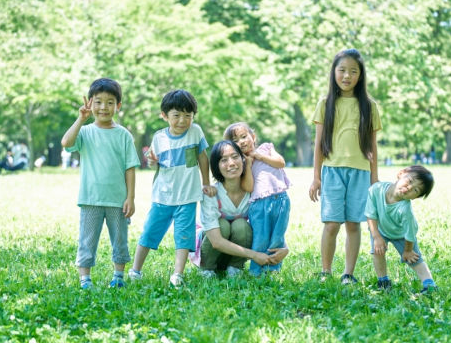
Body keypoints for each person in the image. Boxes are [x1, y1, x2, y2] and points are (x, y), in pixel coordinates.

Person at [309, 49, 382, 284]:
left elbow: (373, 146)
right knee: (331, 224)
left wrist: (374, 178)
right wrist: (316, 177)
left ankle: (348, 274)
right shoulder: (325, 103)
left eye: (353, 71)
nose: (347, 76)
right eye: (342, 70)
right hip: (332, 171)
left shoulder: (369, 106)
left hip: (360, 171)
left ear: (360, 75)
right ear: (334, 73)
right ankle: (325, 271)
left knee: (353, 224)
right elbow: (318, 144)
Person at [128, 89, 214, 289]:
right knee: (149, 232)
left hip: (187, 197)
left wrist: (206, 182)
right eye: (177, 115)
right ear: (165, 116)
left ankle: (178, 274)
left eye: (188, 116)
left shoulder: (195, 132)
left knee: (184, 236)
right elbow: (153, 163)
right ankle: (135, 270)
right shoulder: (159, 138)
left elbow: (202, 158)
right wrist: (151, 161)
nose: (183, 121)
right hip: (163, 197)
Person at [61, 78, 140, 289]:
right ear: (90, 103)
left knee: (120, 241)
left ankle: (118, 277)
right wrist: (80, 119)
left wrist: (130, 197)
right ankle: (85, 279)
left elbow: (130, 168)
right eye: (98, 101)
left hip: (117, 200)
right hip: (90, 199)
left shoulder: (123, 135)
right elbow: (66, 143)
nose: (103, 107)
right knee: (87, 240)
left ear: (118, 106)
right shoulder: (85, 132)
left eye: (110, 102)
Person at [195, 140, 288, 277]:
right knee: (223, 225)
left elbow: (267, 223)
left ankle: (235, 268)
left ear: (243, 159)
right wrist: (255, 255)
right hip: (212, 251)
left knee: (241, 225)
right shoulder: (212, 193)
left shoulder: (253, 191)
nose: (231, 163)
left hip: (236, 254)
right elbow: (216, 242)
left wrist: (284, 248)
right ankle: (207, 269)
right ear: (216, 166)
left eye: (235, 157)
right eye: (223, 160)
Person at [224, 122, 291, 276]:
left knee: (277, 237)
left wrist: (260, 156)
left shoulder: (267, 148)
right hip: (259, 205)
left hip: (281, 200)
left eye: (244, 136)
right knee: (260, 238)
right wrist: (248, 164)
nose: (241, 141)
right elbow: (248, 187)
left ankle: (273, 269)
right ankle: (256, 270)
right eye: (236, 141)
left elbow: (280, 162)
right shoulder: (240, 162)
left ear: (252, 137)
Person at [364, 165, 437, 294]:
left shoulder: (405, 209)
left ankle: (429, 284)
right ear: (401, 174)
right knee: (377, 252)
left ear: (414, 198)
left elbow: (410, 234)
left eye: (415, 190)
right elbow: (370, 215)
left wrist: (408, 250)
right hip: (380, 230)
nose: (409, 188)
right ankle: (383, 281)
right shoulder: (376, 189)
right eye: (409, 181)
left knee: (414, 258)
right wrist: (376, 237)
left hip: (402, 235)